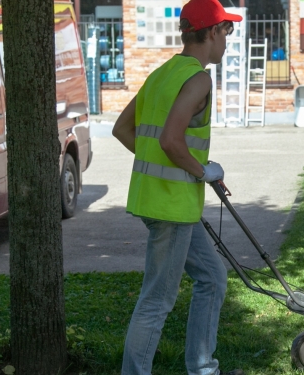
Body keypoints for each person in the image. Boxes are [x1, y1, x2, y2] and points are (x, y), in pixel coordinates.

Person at [111, 0, 243, 374]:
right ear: (212, 32)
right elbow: (170, 141)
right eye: (227, 32)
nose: (228, 41)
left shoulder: (162, 73)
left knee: (213, 277)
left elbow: (124, 130)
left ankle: (203, 367)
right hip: (170, 209)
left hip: (164, 203)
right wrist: (201, 169)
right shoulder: (197, 78)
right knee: (156, 301)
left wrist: (182, 167)